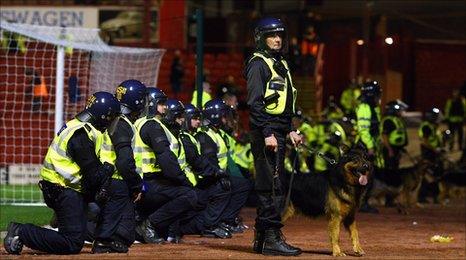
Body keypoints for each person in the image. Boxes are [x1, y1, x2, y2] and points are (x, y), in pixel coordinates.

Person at [4, 92, 120, 255]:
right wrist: (109, 169)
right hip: (62, 190)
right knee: (72, 243)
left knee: (106, 195)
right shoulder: (81, 135)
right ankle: (21, 231)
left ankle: (72, 219)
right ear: (104, 116)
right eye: (112, 117)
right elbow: (94, 176)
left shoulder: (84, 127)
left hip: (67, 188)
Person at [245, 17, 302, 256]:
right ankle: (270, 238)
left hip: (278, 129)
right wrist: (268, 132)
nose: (277, 39)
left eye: (280, 35)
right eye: (272, 35)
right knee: (270, 186)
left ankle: (263, 240)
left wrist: (289, 129)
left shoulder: (280, 63)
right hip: (265, 131)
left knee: (274, 185)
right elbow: (255, 103)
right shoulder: (258, 64)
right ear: (261, 38)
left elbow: (284, 102)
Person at [133, 87, 198, 244]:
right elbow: (166, 158)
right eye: (161, 103)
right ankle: (149, 225)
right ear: (151, 104)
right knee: (189, 195)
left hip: (141, 181)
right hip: (149, 182)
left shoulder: (140, 123)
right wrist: (183, 180)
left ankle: (148, 224)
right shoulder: (153, 126)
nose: (165, 107)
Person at [92, 80, 147, 253]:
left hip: (111, 178)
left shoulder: (117, 120)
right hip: (117, 181)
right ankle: (101, 240)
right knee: (121, 233)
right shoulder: (122, 124)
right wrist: (136, 185)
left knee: (126, 235)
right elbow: (124, 162)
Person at [355, 80, 384, 213]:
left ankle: (363, 202)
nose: (379, 98)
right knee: (364, 176)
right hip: (364, 147)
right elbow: (363, 130)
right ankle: (362, 203)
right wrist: (371, 146)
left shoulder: (373, 109)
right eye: (377, 95)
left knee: (369, 175)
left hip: (370, 146)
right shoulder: (364, 108)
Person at [381, 100, 409, 171]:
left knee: (395, 167)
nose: (400, 111)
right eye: (398, 110)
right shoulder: (388, 121)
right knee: (390, 169)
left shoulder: (397, 120)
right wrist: (390, 150)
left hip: (396, 149)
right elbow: (384, 136)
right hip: (390, 149)